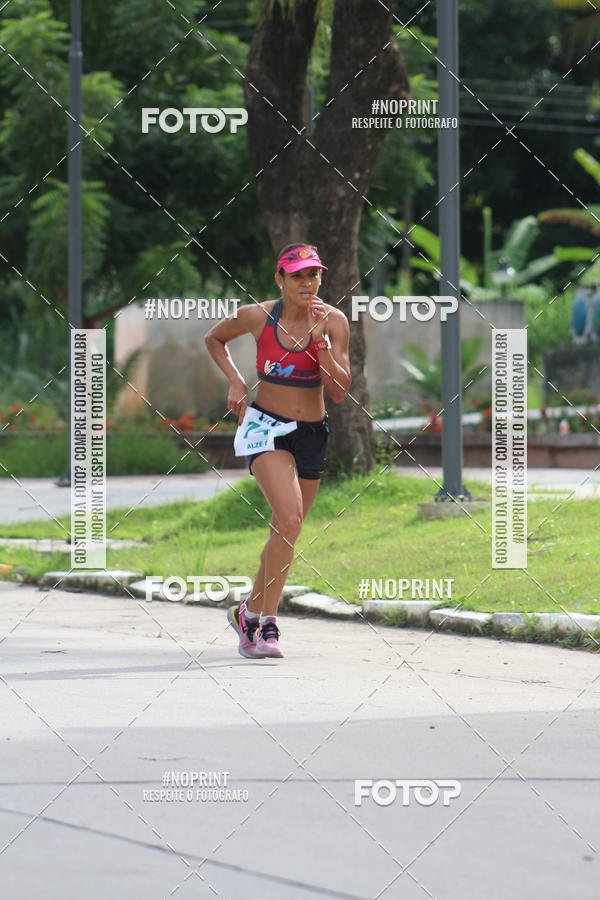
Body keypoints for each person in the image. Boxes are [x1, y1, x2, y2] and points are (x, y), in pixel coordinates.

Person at [204, 243, 351, 658]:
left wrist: (320, 345)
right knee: (289, 518)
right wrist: (236, 380)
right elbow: (214, 338)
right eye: (297, 275)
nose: (307, 283)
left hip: (312, 434)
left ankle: (247, 612)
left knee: (286, 530)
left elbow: (339, 391)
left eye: (313, 274)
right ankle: (267, 624)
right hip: (267, 429)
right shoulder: (257, 316)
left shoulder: (334, 321)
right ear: (280, 279)